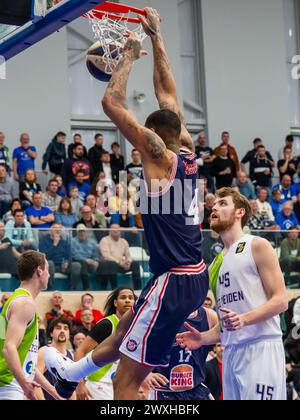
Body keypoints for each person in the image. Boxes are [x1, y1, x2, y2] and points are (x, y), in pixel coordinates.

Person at [44, 9, 208, 401]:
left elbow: (112, 102)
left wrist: (129, 55)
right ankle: (71, 376)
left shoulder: (160, 156)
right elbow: (168, 93)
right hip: (192, 273)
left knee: (125, 383)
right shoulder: (187, 150)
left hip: (174, 278)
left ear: (153, 137)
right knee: (123, 327)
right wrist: (157, 38)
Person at [176, 187, 288, 400]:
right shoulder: (215, 265)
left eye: (223, 203)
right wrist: (203, 338)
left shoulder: (257, 245)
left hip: (260, 347)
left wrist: (244, 319)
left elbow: (281, 300)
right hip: (231, 352)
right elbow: (227, 322)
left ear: (240, 213)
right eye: (214, 205)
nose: (215, 207)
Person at [0, 251, 60, 400]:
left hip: (11, 383)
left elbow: (27, 361)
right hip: (8, 384)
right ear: (39, 271)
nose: (49, 274)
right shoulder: (25, 303)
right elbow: (8, 348)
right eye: (47, 269)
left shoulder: (18, 300)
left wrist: (51, 389)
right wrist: (23, 383)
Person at [75, 288, 136, 400]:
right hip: (99, 383)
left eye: (131, 298)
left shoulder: (136, 327)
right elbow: (80, 351)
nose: (127, 300)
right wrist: (79, 384)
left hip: (121, 384)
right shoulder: (107, 324)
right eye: (123, 297)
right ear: (115, 302)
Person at [147, 307, 218, 401]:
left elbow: (227, 337)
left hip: (196, 389)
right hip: (162, 390)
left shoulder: (210, 316)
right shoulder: (155, 312)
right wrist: (145, 375)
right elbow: (132, 344)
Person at [37, 317, 74, 400]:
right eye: (58, 328)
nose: (62, 331)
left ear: (69, 334)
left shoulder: (71, 355)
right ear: (51, 333)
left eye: (65, 328)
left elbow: (72, 388)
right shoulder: (44, 351)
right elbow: (36, 381)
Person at [98, 224, 142, 290]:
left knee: (135, 264)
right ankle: (114, 289)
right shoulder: (104, 240)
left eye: (117, 230)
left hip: (121, 264)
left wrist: (128, 262)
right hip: (109, 265)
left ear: (120, 231)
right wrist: (119, 262)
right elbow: (106, 256)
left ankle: (138, 289)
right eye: (114, 230)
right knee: (111, 264)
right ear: (110, 231)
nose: (116, 232)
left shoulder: (124, 241)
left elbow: (128, 255)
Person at [39, 224, 81, 291]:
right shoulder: (44, 241)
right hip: (51, 266)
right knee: (49, 263)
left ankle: (72, 288)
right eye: (55, 228)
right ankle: (49, 288)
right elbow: (45, 257)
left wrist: (67, 262)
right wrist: (54, 244)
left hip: (63, 266)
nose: (57, 230)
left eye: (59, 229)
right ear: (50, 231)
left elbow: (69, 255)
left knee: (76, 265)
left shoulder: (64, 242)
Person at [71, 226, 100, 290]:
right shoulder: (72, 241)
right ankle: (86, 287)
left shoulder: (92, 242)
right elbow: (74, 255)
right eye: (80, 231)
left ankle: (105, 287)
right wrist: (86, 260)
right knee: (83, 263)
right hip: (78, 261)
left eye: (84, 231)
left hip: (91, 262)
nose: (82, 233)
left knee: (104, 264)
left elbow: (96, 254)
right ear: (77, 233)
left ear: (86, 232)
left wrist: (96, 261)